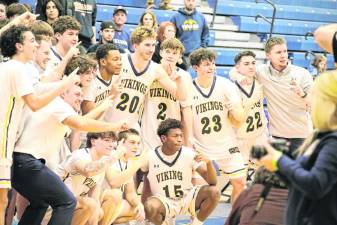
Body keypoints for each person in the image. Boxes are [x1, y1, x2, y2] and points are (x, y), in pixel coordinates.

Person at [12, 84, 128, 225]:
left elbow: (80, 123)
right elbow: (81, 125)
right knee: (67, 201)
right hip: (28, 161)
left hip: (21, 163)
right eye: (77, 94)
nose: (81, 98)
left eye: (82, 94)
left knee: (40, 203)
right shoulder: (59, 106)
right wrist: (115, 126)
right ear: (63, 94)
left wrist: (102, 107)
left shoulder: (61, 112)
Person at [0, 25, 79, 225]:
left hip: (9, 141)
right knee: (1, 202)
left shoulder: (11, 67)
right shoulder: (17, 68)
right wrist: (64, 85)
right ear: (19, 46)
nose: (35, 44)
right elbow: (35, 103)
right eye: (31, 41)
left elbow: (40, 87)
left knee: (7, 201)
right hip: (3, 139)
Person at [257, 70, 337, 225]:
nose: (311, 102)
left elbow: (315, 184)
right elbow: (299, 182)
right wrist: (275, 164)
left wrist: (280, 160)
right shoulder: (320, 136)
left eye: (315, 97)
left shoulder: (333, 142)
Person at [231, 37, 314, 155]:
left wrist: (302, 94)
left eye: (285, 51)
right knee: (278, 173)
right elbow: (235, 70)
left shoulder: (302, 73)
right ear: (268, 55)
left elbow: (314, 102)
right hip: (277, 136)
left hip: (301, 135)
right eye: (278, 52)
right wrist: (238, 77)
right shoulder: (261, 72)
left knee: (300, 172)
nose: (283, 55)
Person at [189, 48, 246, 203]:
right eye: (207, 64)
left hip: (226, 143)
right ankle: (196, 220)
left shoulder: (226, 85)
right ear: (195, 68)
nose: (211, 67)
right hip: (201, 145)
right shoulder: (188, 88)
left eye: (213, 64)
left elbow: (240, 119)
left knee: (240, 183)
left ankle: (235, 219)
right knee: (201, 189)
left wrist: (234, 110)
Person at [103, 26, 186, 130]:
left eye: (153, 45)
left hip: (130, 127)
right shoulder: (120, 61)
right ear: (135, 46)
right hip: (106, 123)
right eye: (147, 45)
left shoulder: (156, 69)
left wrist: (179, 81)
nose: (151, 49)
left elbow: (181, 96)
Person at [142, 118, 220, 225]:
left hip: (186, 199)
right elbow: (145, 184)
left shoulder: (189, 154)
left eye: (181, 136)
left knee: (214, 192)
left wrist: (209, 163)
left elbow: (213, 182)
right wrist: (145, 210)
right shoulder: (149, 156)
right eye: (175, 136)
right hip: (164, 202)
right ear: (164, 138)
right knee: (150, 206)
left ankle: (195, 223)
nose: (180, 139)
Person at [57, 131, 125, 225]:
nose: (111, 145)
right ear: (93, 141)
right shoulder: (80, 155)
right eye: (107, 140)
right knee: (89, 204)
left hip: (73, 204)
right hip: (56, 203)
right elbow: (88, 170)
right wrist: (116, 155)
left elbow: (95, 197)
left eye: (113, 141)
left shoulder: (102, 162)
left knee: (98, 210)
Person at [141, 37, 192, 149]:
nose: (170, 55)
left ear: (179, 57)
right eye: (167, 51)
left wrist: (188, 138)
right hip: (149, 129)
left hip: (172, 130)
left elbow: (186, 109)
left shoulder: (184, 76)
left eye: (174, 53)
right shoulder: (150, 71)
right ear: (161, 52)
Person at [233, 51, 268, 169]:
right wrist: (252, 100)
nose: (251, 66)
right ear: (238, 67)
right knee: (241, 176)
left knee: (265, 172)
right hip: (240, 137)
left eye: (253, 63)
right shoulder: (232, 88)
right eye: (246, 64)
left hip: (259, 134)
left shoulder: (259, 81)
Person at [102, 129, 145, 225]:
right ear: (120, 143)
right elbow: (113, 182)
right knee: (116, 195)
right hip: (101, 202)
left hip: (114, 203)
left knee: (138, 211)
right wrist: (137, 164)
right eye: (132, 143)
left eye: (138, 143)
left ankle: (107, 222)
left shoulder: (129, 162)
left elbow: (130, 193)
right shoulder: (110, 157)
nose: (136, 147)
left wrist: (139, 204)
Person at [82, 43, 123, 115]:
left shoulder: (117, 77)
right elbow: (89, 119)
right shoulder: (91, 80)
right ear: (103, 62)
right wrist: (111, 96)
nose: (120, 63)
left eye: (120, 59)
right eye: (115, 59)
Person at [170, 0, 209, 66]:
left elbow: (205, 34)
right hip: (181, 56)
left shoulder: (201, 17)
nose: (191, 3)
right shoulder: (175, 17)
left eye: (193, 1)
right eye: (188, 0)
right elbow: (171, 36)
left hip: (197, 55)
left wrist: (202, 48)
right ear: (184, 1)